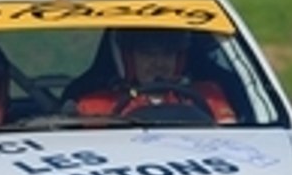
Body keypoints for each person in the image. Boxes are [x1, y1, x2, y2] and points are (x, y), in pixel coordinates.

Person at [74, 28, 236, 123]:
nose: (158, 63)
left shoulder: (209, 97)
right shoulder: (96, 105)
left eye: (168, 54)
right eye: (147, 55)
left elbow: (232, 139)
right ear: (128, 60)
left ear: (179, 59)